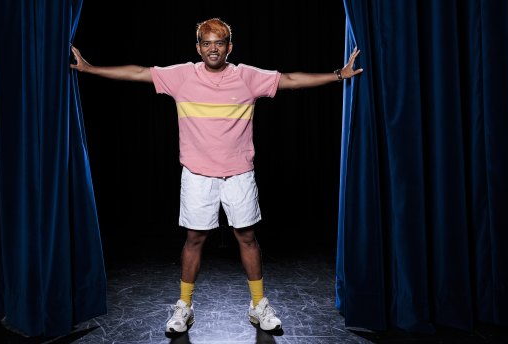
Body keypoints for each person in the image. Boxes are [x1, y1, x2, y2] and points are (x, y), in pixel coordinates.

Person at [70, 17, 363, 334]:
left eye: (219, 42)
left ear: (229, 47)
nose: (213, 48)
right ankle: (184, 306)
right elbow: (139, 73)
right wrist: (90, 69)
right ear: (198, 47)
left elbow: (290, 79)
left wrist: (338, 74)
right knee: (194, 239)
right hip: (197, 174)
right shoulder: (182, 76)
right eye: (207, 43)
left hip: (239, 173)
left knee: (247, 237)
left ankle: (258, 305)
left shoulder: (247, 77)